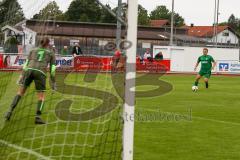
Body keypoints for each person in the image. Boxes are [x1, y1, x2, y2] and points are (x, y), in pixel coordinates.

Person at [5, 37, 56, 124]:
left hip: (29, 70)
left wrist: (22, 75)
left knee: (20, 92)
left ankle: (9, 111)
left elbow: (26, 63)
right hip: (40, 72)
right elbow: (53, 68)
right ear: (48, 44)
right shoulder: (51, 53)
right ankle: (38, 117)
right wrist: (53, 82)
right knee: (41, 96)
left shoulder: (33, 50)